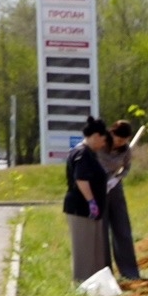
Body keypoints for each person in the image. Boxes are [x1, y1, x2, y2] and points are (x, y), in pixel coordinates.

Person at [63, 119, 113, 285]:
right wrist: (91, 201)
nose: (104, 143)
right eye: (104, 139)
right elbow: (81, 179)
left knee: (94, 251)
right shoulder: (82, 153)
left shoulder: (90, 153)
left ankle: (96, 284)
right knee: (84, 250)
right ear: (96, 136)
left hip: (93, 211)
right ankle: (82, 284)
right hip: (81, 209)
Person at [101, 119, 147, 284]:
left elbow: (126, 168)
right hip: (97, 187)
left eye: (125, 141)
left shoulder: (125, 150)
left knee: (122, 229)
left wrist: (117, 179)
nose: (121, 143)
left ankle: (129, 272)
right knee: (101, 231)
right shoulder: (99, 144)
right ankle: (105, 273)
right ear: (112, 133)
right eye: (119, 139)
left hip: (115, 186)